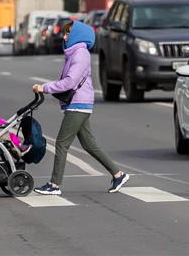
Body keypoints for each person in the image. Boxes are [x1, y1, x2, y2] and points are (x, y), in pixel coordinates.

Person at [32, 20, 129, 195]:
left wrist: (44, 87)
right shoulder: (74, 53)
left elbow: (70, 82)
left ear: (78, 35)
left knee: (61, 143)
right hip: (78, 103)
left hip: (78, 104)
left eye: (68, 33)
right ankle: (118, 174)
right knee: (89, 144)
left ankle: (54, 185)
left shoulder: (80, 54)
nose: (64, 36)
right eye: (65, 33)